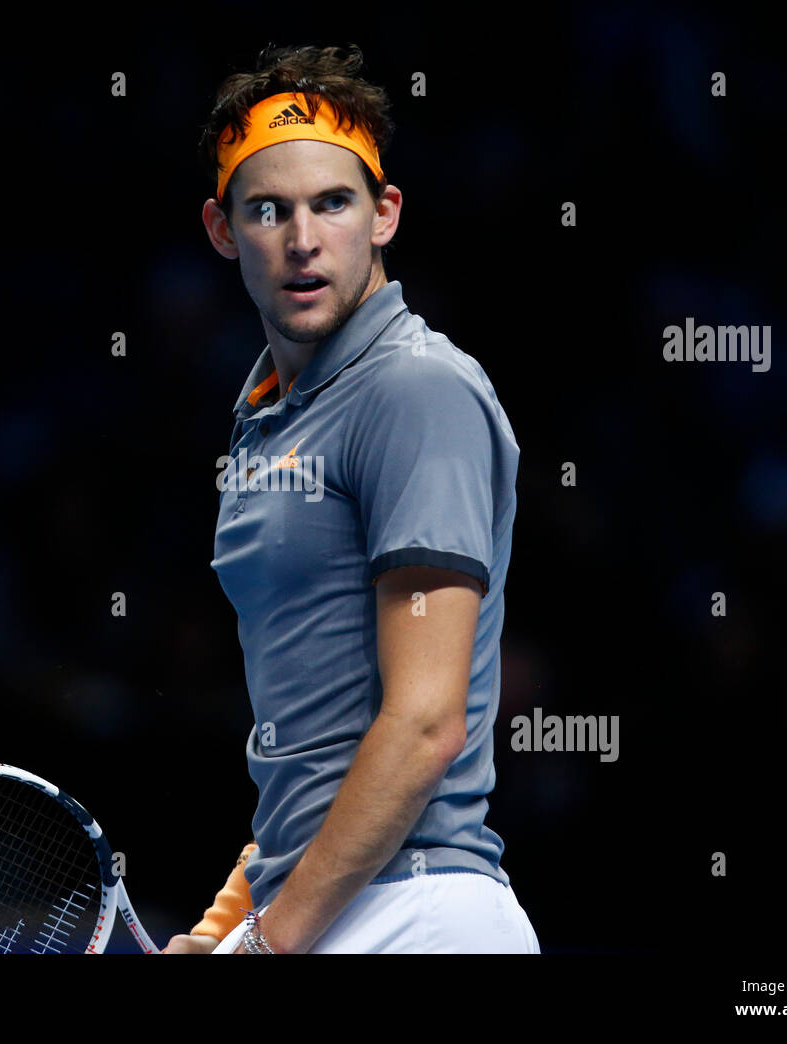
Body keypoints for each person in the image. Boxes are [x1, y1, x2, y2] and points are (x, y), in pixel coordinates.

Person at [163, 43, 539, 954]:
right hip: (331, 912)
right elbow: (318, 746)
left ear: (384, 215)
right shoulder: (266, 420)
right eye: (269, 210)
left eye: (333, 203)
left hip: (422, 911)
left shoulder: (416, 390)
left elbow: (421, 725)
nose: (302, 240)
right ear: (222, 230)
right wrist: (224, 928)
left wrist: (266, 942)